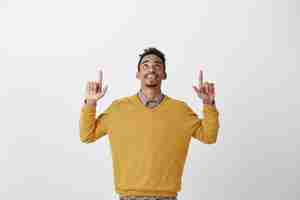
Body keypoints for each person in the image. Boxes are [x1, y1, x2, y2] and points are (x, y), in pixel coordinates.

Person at [79, 47, 220, 200]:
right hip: (128, 196)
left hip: (167, 197)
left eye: (157, 65)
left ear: (164, 74)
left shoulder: (180, 110)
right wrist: (91, 102)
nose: (151, 68)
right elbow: (87, 135)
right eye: (145, 65)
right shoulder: (118, 109)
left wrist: (208, 103)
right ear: (137, 74)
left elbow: (209, 136)